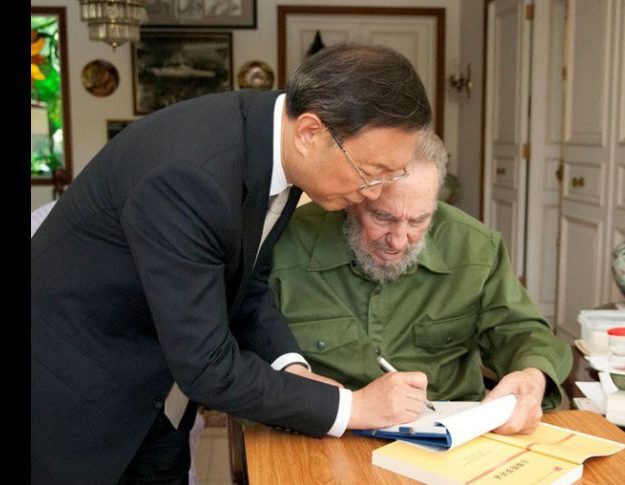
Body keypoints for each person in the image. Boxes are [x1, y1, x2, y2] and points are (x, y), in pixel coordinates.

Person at [32, 42, 432, 485]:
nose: (374, 192)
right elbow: (205, 365)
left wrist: (292, 368)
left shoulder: (278, 149)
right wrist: (352, 408)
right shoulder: (190, 174)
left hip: (160, 396)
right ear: (310, 133)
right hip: (76, 402)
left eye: (387, 177)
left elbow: (247, 281)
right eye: (371, 172)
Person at [269, 132, 572, 435]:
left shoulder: (476, 248)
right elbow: (245, 355)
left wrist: (533, 378)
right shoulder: (285, 243)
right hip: (319, 433)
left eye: (418, 221)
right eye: (383, 217)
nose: (398, 241)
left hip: (448, 436)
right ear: (355, 197)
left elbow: (523, 332)